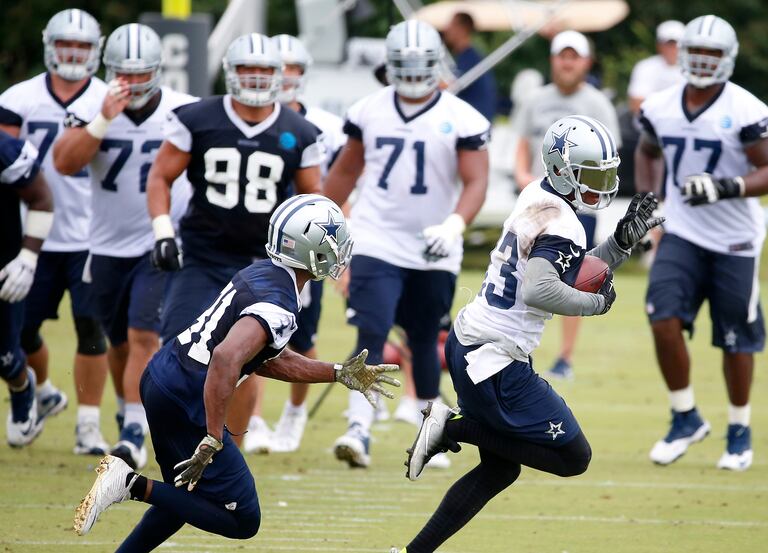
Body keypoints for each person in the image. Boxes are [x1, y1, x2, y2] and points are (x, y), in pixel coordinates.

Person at [391, 116, 663, 553]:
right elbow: (543, 287)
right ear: (562, 168)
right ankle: (452, 427)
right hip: (495, 359)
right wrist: (598, 304)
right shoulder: (562, 220)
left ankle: (412, 552)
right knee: (574, 457)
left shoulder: (538, 195)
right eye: (591, 175)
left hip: (477, 344)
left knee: (501, 469)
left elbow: (569, 268)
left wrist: (619, 244)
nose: (600, 185)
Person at [73, 194, 400, 549]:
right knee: (242, 519)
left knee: (184, 495)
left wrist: (336, 372)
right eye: (334, 241)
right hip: (188, 397)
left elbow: (263, 357)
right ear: (312, 248)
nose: (341, 250)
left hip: (165, 377)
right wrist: (213, 436)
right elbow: (228, 358)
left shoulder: (267, 272)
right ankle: (128, 484)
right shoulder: (279, 304)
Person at [324, 20, 490, 469]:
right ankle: (359, 426)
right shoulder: (368, 110)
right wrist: (319, 219)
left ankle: (429, 429)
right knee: (371, 329)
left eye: (421, 66)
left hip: (435, 242)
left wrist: (455, 224)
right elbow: (344, 173)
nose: (414, 75)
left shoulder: (462, 116)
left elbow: (477, 181)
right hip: (377, 236)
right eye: (406, 65)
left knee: (423, 335)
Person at [145, 33, 324, 447]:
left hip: (263, 263)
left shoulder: (300, 130)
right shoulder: (196, 118)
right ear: (231, 72)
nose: (257, 78)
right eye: (248, 69)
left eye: (265, 70)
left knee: (247, 357)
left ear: (280, 76)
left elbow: (313, 204)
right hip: (202, 255)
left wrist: (305, 270)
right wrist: (162, 231)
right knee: (179, 346)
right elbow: (161, 177)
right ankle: (174, 439)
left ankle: (228, 447)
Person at [635, 15, 768, 471]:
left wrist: (728, 186)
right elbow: (647, 151)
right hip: (682, 231)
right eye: (696, 52)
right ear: (681, 55)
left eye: (713, 54)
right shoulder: (660, 105)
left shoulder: (745, 110)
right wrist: (648, 203)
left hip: (735, 240)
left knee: (735, 340)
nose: (703, 61)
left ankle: (739, 429)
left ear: (728, 59)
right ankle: (685, 417)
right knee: (661, 318)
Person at [52, 24, 198, 469]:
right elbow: (63, 162)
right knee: (116, 341)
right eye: (123, 73)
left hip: (160, 238)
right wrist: (102, 119)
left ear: (159, 71)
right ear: (108, 69)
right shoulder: (90, 105)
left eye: (142, 73)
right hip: (106, 244)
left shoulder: (183, 110)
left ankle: (135, 429)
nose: (132, 83)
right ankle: (127, 411)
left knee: (143, 334)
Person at [0, 8, 111, 455]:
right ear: (50, 45)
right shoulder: (20, 97)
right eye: (65, 43)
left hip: (92, 232)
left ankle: (88, 423)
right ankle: (43, 391)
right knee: (20, 333)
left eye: (82, 46)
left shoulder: (107, 98)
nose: (72, 52)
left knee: (91, 329)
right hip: (33, 236)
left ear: (95, 50)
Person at [242, 34, 348, 454]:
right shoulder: (250, 118)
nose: (285, 77)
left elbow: (333, 190)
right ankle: (251, 419)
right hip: (254, 237)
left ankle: (294, 413)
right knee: (250, 329)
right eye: (277, 68)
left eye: (292, 69)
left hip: (305, 246)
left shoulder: (323, 127)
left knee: (299, 336)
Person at [512, 30, 621, 380]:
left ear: (587, 62)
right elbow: (521, 143)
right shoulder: (536, 99)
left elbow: (609, 158)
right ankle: (518, 342)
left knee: (577, 276)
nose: (568, 62)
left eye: (574, 56)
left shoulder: (597, 103)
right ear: (553, 60)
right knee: (522, 272)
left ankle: (565, 356)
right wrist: (521, 176)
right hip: (539, 200)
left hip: (580, 205)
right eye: (562, 55)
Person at [0, 131, 53, 447]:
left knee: (4, 357)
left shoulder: (4, 150)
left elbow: (41, 196)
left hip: (4, 260)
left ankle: (22, 386)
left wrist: (28, 257)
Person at [442, 11, 499, 122]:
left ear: (463, 28)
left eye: (451, 25)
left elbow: (450, 85)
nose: (447, 29)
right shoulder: (466, 57)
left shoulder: (470, 58)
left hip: (474, 121)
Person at [627, 20, 685, 116]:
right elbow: (636, 103)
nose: (673, 48)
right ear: (659, 45)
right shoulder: (645, 67)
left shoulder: (692, 69)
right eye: (668, 44)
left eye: (676, 44)